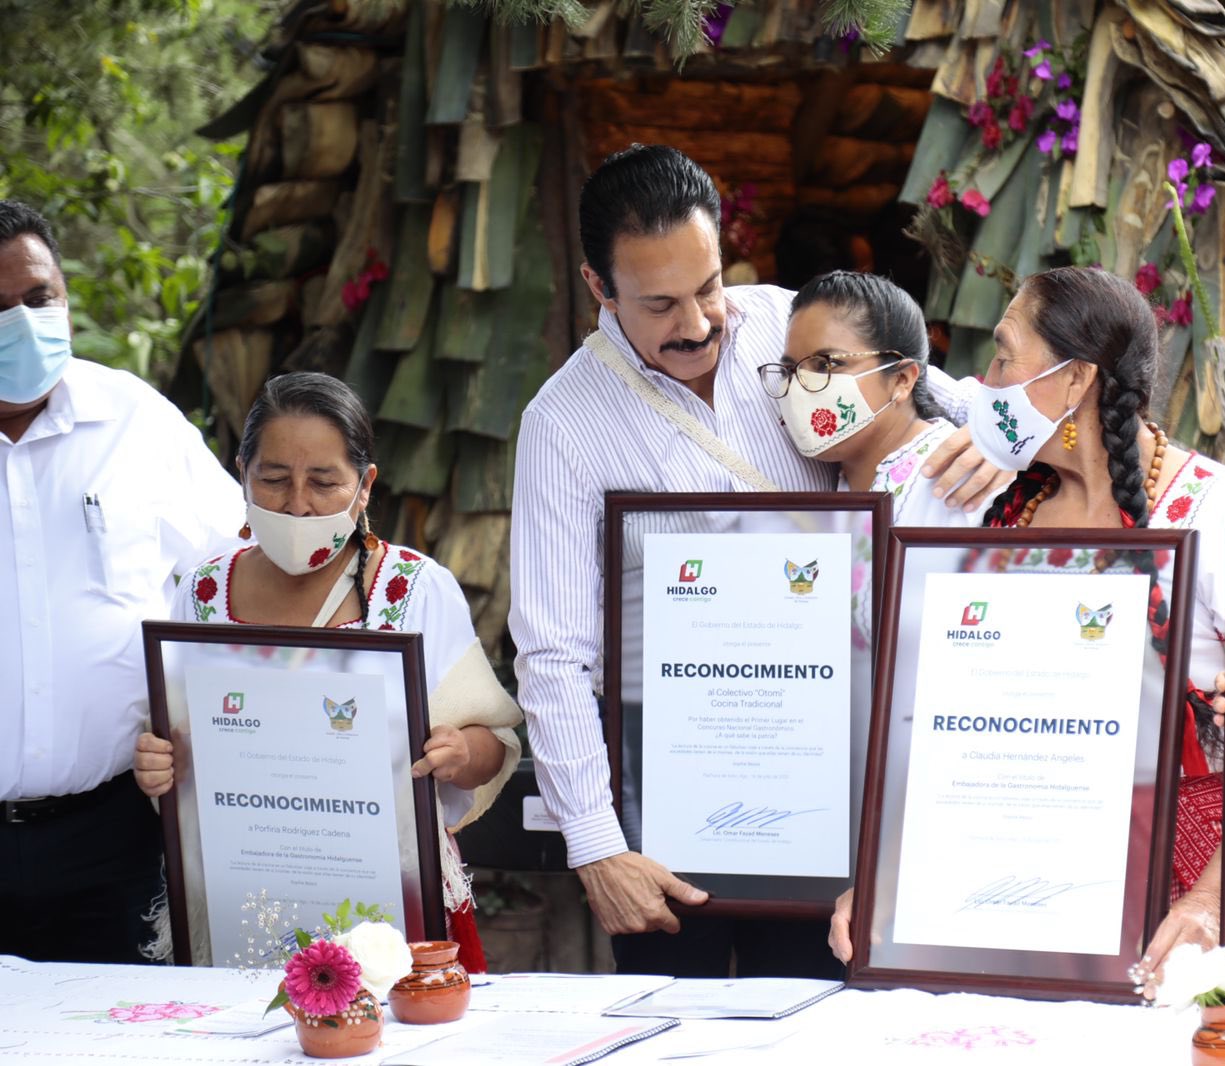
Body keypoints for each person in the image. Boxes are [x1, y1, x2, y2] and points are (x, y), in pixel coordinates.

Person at [509, 144, 1004, 979]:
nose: (697, 324)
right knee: (678, 1026)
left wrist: (986, 439)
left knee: (824, 1005)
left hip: (830, 754)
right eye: (660, 304)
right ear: (601, 287)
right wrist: (597, 844)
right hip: (672, 784)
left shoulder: (785, 321)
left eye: (707, 288)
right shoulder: (561, 423)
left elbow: (921, 387)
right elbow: (554, 651)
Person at [825, 266, 1225, 980]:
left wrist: (1211, 900)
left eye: (1005, 355)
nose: (986, 377)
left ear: (1075, 383)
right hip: (1004, 879)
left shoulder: (1222, 512)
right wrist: (888, 873)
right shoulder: (985, 504)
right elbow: (936, 720)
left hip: (1175, 893)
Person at [132, 372, 521, 971]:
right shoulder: (204, 591)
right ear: (242, 472)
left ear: (364, 485)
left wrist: (459, 754)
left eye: (323, 482)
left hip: (395, 914)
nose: (297, 504)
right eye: (274, 479)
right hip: (243, 896)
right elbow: (178, 741)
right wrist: (160, 763)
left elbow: (493, 744)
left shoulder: (414, 591)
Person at [0, 199, 243, 963]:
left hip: (114, 836)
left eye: (39, 298)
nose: (23, 323)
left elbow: (238, 575)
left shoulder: (136, 422)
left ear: (65, 292)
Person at [763, 270, 986, 527]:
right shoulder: (840, 486)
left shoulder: (965, 480)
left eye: (826, 364)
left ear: (902, 379)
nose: (799, 387)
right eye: (791, 370)